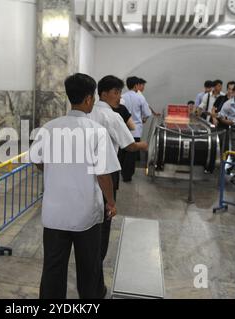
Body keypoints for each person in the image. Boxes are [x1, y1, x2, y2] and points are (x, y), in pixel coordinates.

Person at [31, 73, 120, 299]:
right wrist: (110, 201)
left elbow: (37, 160)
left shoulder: (49, 128)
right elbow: (103, 174)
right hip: (85, 214)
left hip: (54, 214)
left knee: (53, 267)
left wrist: (54, 169)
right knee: (89, 267)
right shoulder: (96, 132)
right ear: (89, 99)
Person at [89, 75, 148, 295]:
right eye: (116, 92)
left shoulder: (86, 114)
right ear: (103, 93)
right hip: (105, 174)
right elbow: (129, 145)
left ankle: (90, 278)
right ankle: (95, 284)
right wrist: (143, 145)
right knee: (103, 228)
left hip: (84, 175)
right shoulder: (110, 116)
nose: (119, 97)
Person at [120, 76, 152, 182]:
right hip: (135, 130)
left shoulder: (122, 97)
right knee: (131, 154)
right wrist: (143, 120)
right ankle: (127, 175)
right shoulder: (140, 97)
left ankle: (121, 171)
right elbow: (147, 113)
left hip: (123, 129)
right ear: (135, 85)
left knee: (123, 151)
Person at [213, 81, 235, 155]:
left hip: (234, 129)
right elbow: (213, 109)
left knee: (234, 149)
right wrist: (214, 118)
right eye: (229, 89)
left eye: (233, 89)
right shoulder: (221, 98)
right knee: (221, 147)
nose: (231, 91)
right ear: (227, 89)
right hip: (221, 127)